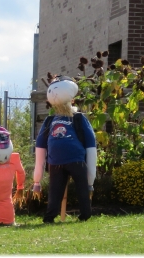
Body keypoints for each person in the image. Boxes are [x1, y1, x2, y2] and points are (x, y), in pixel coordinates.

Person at [33, 76, 97, 222]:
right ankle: (49, 217)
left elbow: (90, 141)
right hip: (55, 162)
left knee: (82, 188)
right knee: (55, 190)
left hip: (76, 160)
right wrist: (37, 178)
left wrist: (91, 179)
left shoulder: (78, 118)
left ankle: (85, 215)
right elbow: (41, 143)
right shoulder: (50, 120)